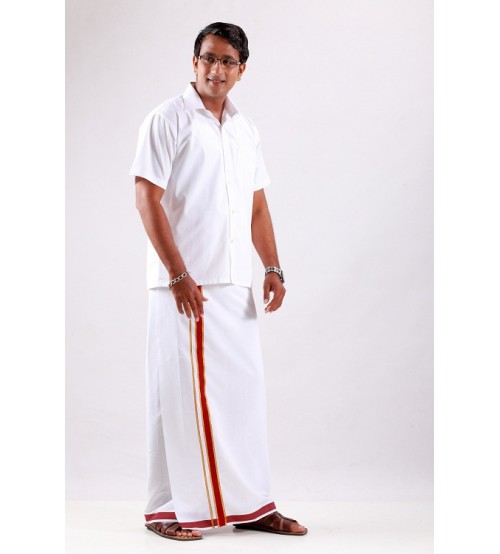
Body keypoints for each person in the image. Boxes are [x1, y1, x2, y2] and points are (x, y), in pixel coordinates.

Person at [129, 22, 307, 542]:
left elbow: (257, 204)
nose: (216, 69)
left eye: (228, 61)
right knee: (179, 397)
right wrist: (178, 274)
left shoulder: (245, 128)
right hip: (186, 285)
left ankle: (250, 505)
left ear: (241, 70)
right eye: (208, 58)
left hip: (234, 284)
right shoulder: (167, 119)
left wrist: (272, 267)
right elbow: (146, 196)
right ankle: (165, 509)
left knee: (242, 397)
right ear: (194, 62)